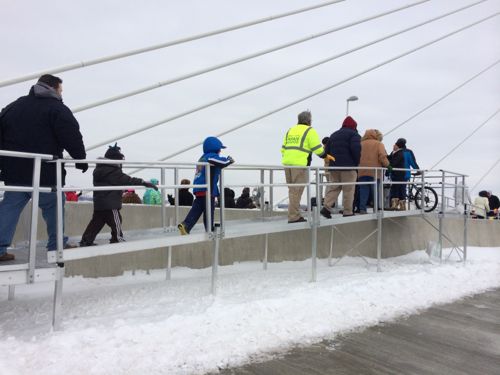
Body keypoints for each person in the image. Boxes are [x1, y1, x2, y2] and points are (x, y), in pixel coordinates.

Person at [0, 74, 87, 261]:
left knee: (9, 207)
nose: (61, 93)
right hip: (46, 172)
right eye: (60, 90)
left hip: (14, 171)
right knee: (54, 205)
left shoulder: (14, 106)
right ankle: (56, 245)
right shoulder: (57, 109)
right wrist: (81, 160)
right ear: (54, 88)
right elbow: (71, 136)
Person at [79, 144, 157, 246]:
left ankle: (86, 239)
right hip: (110, 204)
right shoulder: (112, 171)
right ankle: (117, 238)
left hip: (100, 202)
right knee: (116, 221)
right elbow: (128, 180)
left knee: (96, 222)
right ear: (115, 160)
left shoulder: (99, 169)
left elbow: (112, 182)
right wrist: (143, 182)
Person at [282, 111, 333, 223]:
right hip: (299, 164)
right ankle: (294, 216)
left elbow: (283, 148)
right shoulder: (309, 131)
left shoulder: (290, 130)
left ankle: (293, 214)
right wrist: (325, 155)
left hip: (287, 163)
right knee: (297, 190)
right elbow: (317, 148)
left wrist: (288, 158)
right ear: (309, 120)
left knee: (292, 190)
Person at [178, 137, 234, 235]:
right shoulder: (211, 156)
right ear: (215, 148)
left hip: (200, 189)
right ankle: (209, 229)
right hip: (208, 189)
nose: (220, 151)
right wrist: (229, 160)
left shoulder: (202, 157)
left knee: (198, 208)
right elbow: (222, 163)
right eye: (219, 149)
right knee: (209, 210)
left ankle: (186, 225)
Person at [321, 116, 361, 218]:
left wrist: (332, 163)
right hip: (348, 167)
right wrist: (356, 163)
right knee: (348, 189)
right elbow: (356, 150)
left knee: (334, 187)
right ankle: (348, 212)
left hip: (334, 167)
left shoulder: (333, 135)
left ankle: (326, 208)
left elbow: (327, 152)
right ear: (354, 126)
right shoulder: (354, 135)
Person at [357, 129, 390, 214]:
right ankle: (376, 209)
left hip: (362, 171)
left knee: (363, 191)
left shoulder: (360, 144)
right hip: (374, 172)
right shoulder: (379, 144)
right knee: (375, 191)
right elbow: (382, 157)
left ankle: (362, 209)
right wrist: (388, 166)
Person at [387, 138, 419, 211]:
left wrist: (388, 172)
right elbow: (413, 162)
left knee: (396, 189)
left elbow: (391, 162)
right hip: (405, 174)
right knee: (402, 189)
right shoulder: (408, 152)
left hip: (396, 174)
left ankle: (395, 205)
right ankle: (402, 206)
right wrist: (417, 170)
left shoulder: (394, 152)